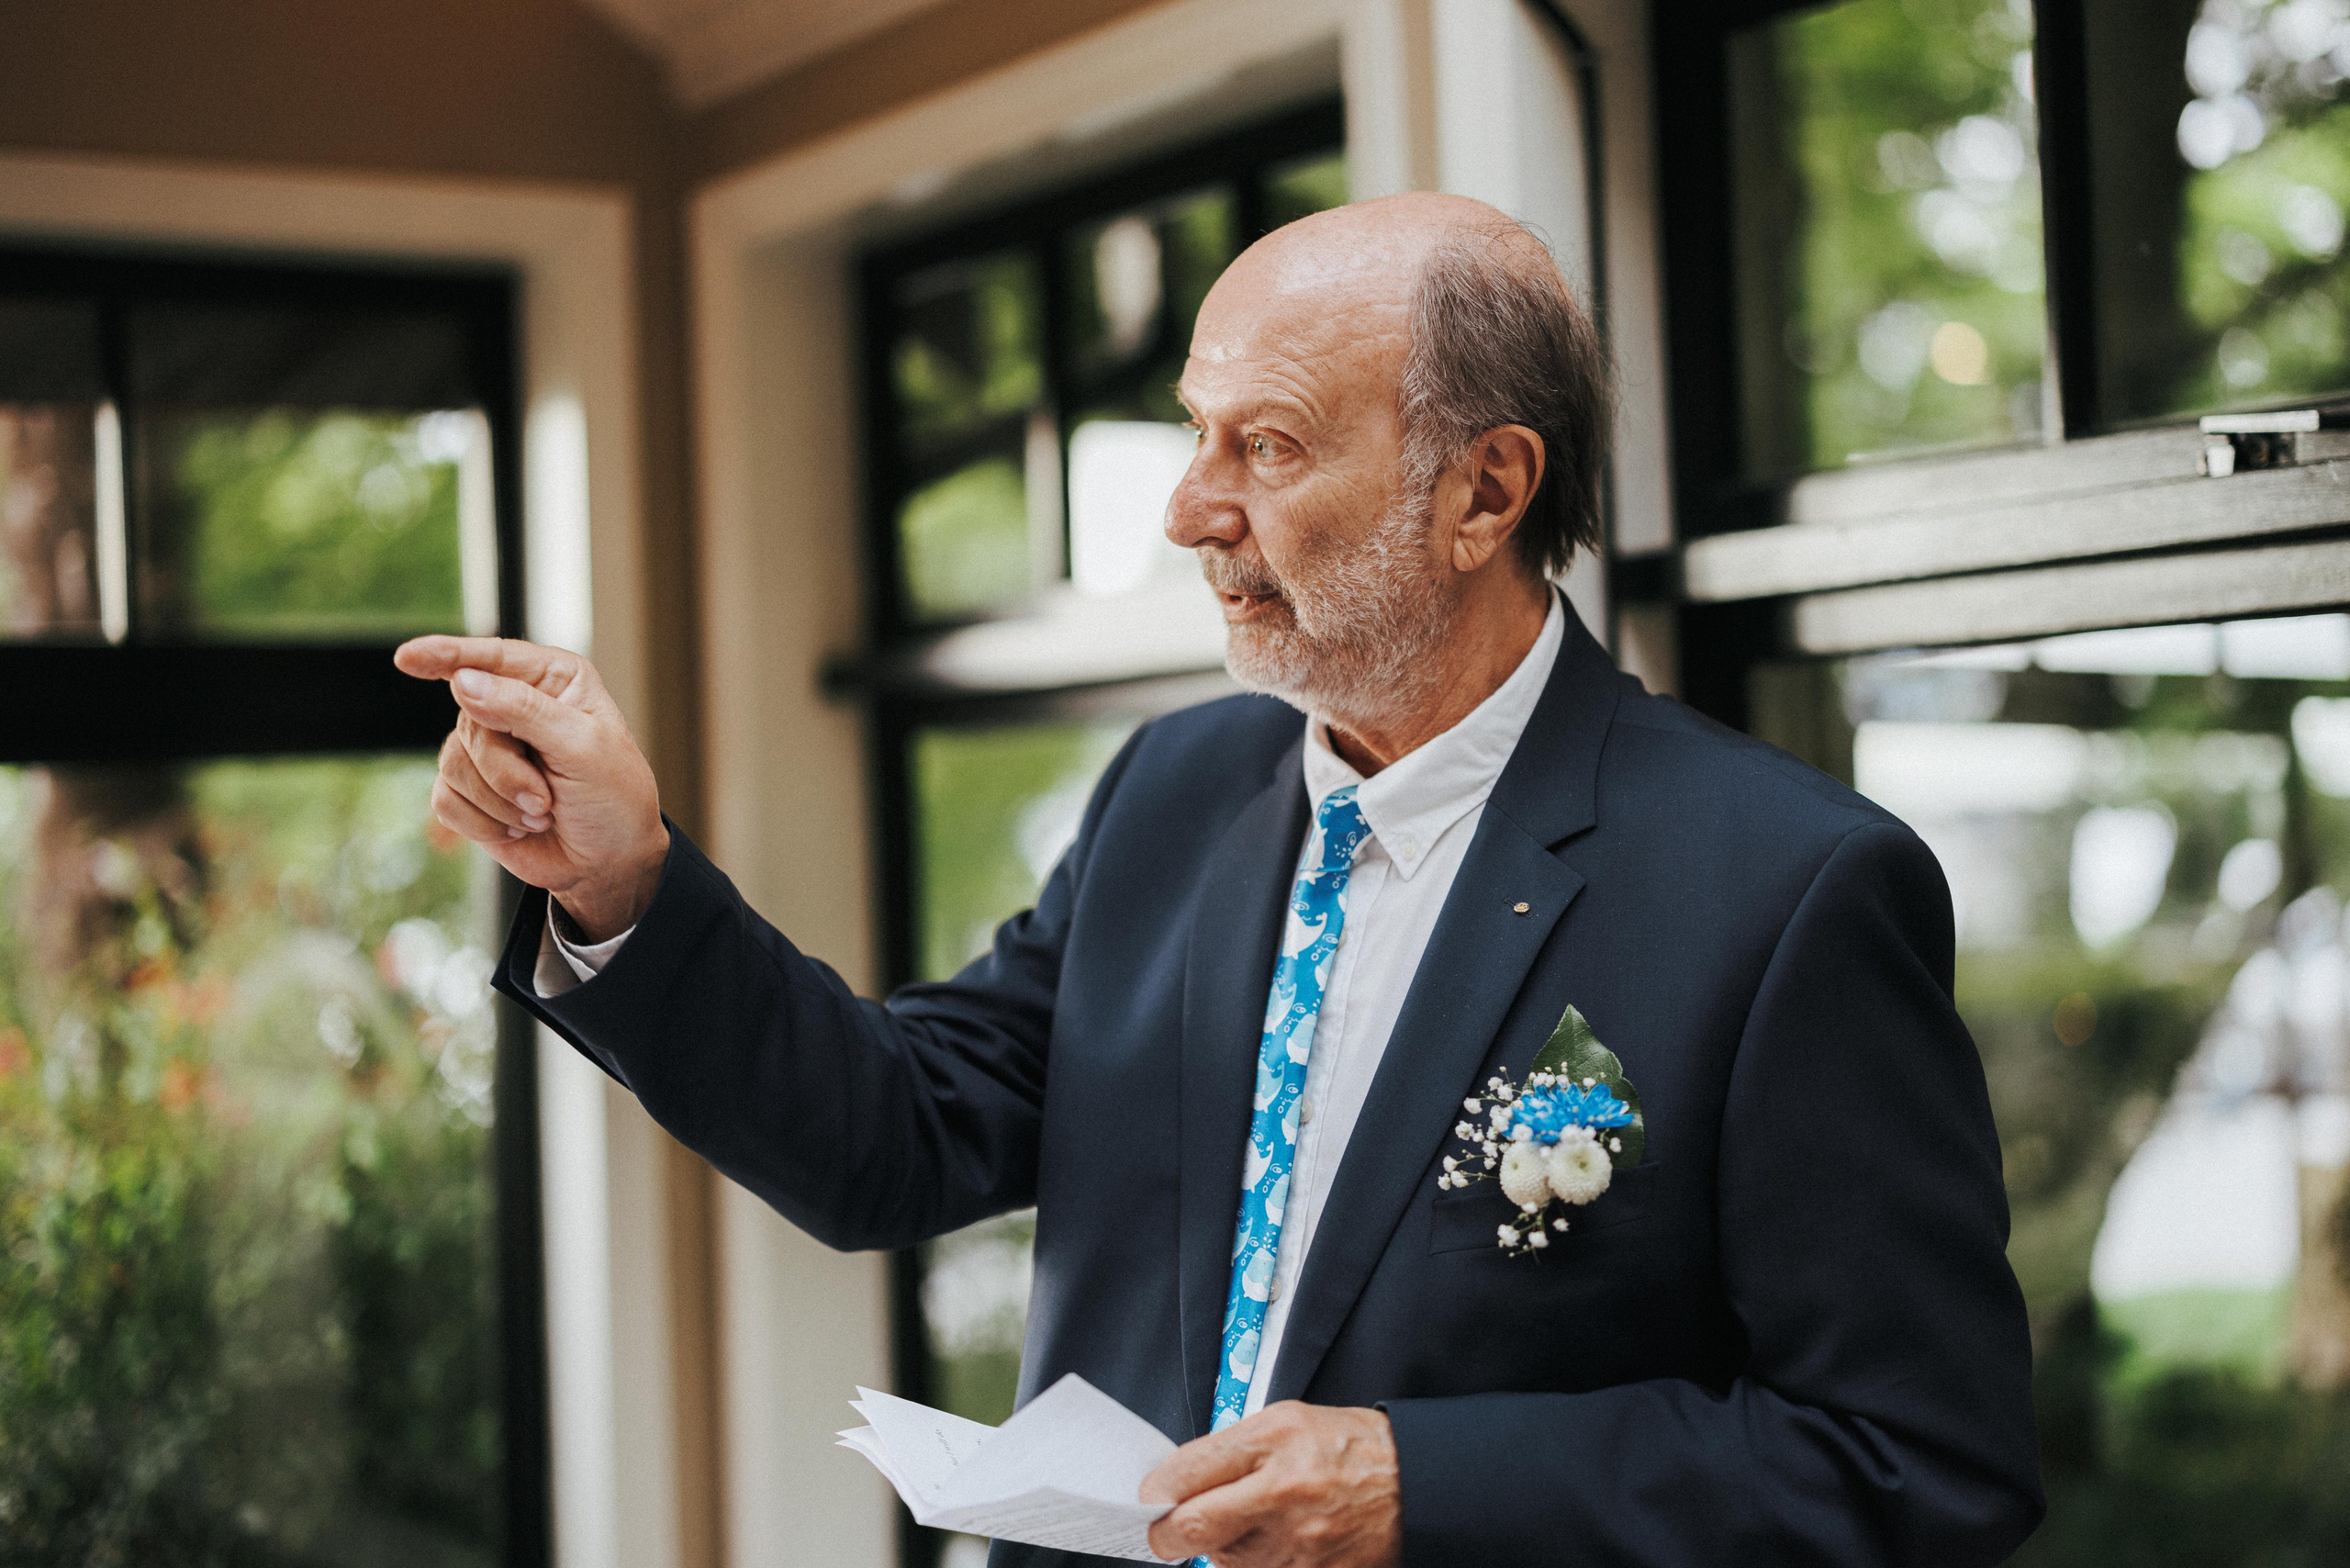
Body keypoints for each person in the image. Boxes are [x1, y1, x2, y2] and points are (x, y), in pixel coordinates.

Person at [396, 193, 2042, 1567]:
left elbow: (1917, 1465)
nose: (1191, 510)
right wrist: (623, 881)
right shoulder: (1173, 793)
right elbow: (892, 1136)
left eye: (1267, 445)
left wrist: (1424, 1487)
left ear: (1486, 490)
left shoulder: (1792, 889)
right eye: (1197, 433)